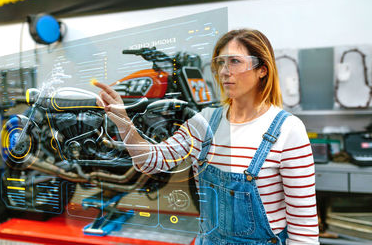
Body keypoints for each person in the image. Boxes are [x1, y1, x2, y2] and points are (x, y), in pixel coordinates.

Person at [94, 29, 319, 244]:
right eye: (220, 63)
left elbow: (304, 228)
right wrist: (122, 119)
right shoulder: (205, 121)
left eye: (235, 61)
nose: (224, 71)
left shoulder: (288, 130)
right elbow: (152, 162)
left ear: (262, 69)